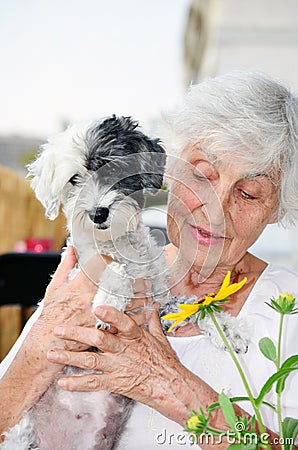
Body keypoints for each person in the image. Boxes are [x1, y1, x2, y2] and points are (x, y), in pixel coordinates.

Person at [1, 71, 298, 450]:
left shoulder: (289, 312)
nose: (216, 209)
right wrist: (38, 350)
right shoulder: (83, 280)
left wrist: (168, 385)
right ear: (167, 171)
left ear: (276, 209)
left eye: (250, 193)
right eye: (202, 175)